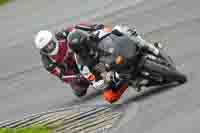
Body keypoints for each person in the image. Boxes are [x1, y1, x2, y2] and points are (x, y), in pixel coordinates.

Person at [67, 24, 162, 103]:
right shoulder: (81, 63)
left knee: (120, 29)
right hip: (109, 69)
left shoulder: (96, 34)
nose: (85, 47)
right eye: (81, 48)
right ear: (76, 51)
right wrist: (109, 79)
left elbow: (113, 31)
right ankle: (129, 82)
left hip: (115, 52)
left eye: (85, 43)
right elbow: (93, 81)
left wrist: (115, 32)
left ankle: (146, 45)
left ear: (87, 37)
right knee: (110, 97)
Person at [34, 23, 104, 97]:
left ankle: (101, 61)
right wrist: (77, 77)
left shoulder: (61, 35)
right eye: (46, 48)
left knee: (86, 45)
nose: (50, 47)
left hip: (81, 55)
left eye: (50, 44)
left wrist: (92, 27)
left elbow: (76, 28)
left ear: (53, 39)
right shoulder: (47, 62)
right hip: (72, 71)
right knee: (79, 91)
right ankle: (91, 79)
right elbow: (62, 75)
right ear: (43, 50)